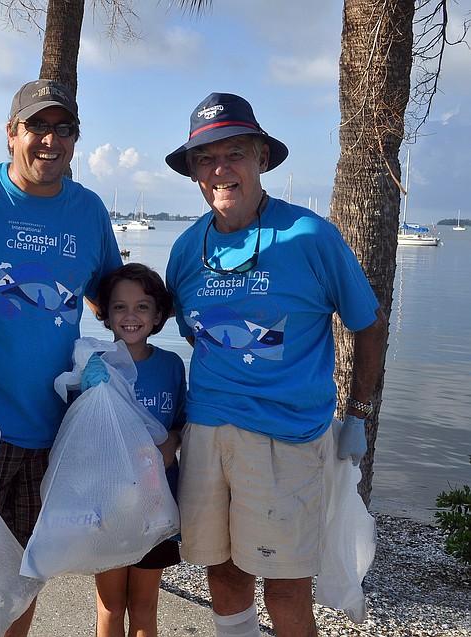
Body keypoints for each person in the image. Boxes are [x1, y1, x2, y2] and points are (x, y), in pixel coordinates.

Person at [163, 92, 388, 637]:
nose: (221, 169)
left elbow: (368, 322)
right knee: (221, 569)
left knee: (286, 586)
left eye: (234, 152)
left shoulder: (310, 236)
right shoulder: (185, 249)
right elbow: (195, 335)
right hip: (209, 428)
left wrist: (356, 412)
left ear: (262, 157)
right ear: (193, 171)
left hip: (287, 436)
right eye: (205, 158)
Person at [0, 79, 123, 636]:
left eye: (64, 128)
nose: (50, 139)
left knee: (24, 574)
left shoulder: (87, 209)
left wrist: (118, 358)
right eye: (36, 126)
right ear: (11, 133)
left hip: (51, 429)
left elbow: (111, 297)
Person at [82, 263, 185, 637]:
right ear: (105, 314)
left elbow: (180, 423)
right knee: (111, 607)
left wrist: (171, 443)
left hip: (156, 508)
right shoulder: (94, 365)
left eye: (142, 306)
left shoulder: (171, 366)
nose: (130, 316)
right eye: (119, 307)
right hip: (105, 507)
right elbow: (79, 436)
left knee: (144, 607)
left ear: (159, 314)